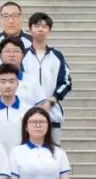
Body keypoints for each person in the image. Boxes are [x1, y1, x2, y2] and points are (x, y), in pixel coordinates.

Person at [23, 12, 72, 142]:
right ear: (30, 28)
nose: (40, 29)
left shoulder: (57, 56)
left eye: (44, 27)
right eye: (36, 26)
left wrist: (52, 100)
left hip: (52, 114)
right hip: (26, 114)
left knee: (53, 150)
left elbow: (66, 82)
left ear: (49, 30)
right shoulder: (22, 55)